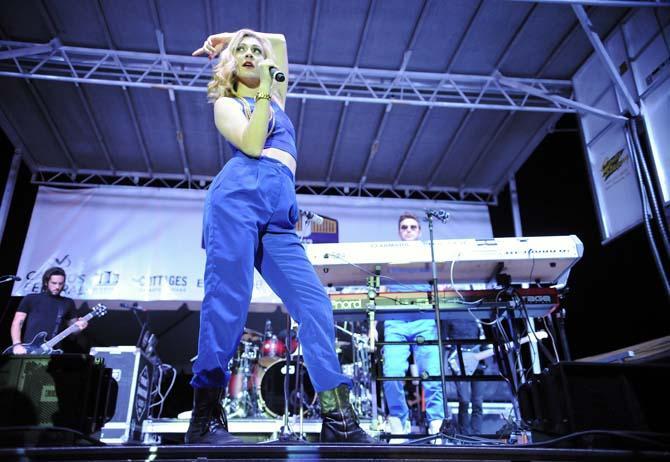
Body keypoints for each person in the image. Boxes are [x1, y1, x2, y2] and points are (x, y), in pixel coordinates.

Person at [187, 29, 375, 445]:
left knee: (314, 303)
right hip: (235, 200)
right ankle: (204, 421)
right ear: (231, 66)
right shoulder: (228, 104)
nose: (253, 54)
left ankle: (337, 418)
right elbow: (253, 147)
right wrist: (256, 83)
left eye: (257, 51)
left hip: (279, 213)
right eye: (243, 52)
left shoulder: (274, 100)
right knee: (227, 302)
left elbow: (281, 42)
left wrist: (229, 37)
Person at [381, 212, 445, 441]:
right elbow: (378, 287)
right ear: (399, 231)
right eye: (405, 227)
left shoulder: (429, 252)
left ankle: (436, 424)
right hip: (395, 320)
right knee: (391, 373)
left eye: (413, 227)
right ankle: (399, 421)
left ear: (419, 231)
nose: (408, 230)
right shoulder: (389, 254)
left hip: (424, 319)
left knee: (433, 375)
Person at [9, 267, 88, 354]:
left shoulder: (68, 302)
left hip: (53, 351)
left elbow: (74, 331)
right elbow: (17, 323)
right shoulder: (31, 298)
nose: (57, 287)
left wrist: (80, 327)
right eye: (54, 283)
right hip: (29, 349)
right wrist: (16, 344)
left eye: (60, 283)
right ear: (46, 282)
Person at [443, 319, 484, 435]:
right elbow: (446, 342)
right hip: (459, 362)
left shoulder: (476, 317)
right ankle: (464, 437)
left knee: (477, 403)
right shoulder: (450, 316)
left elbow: (484, 340)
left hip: (478, 364)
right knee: (464, 401)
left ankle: (477, 437)